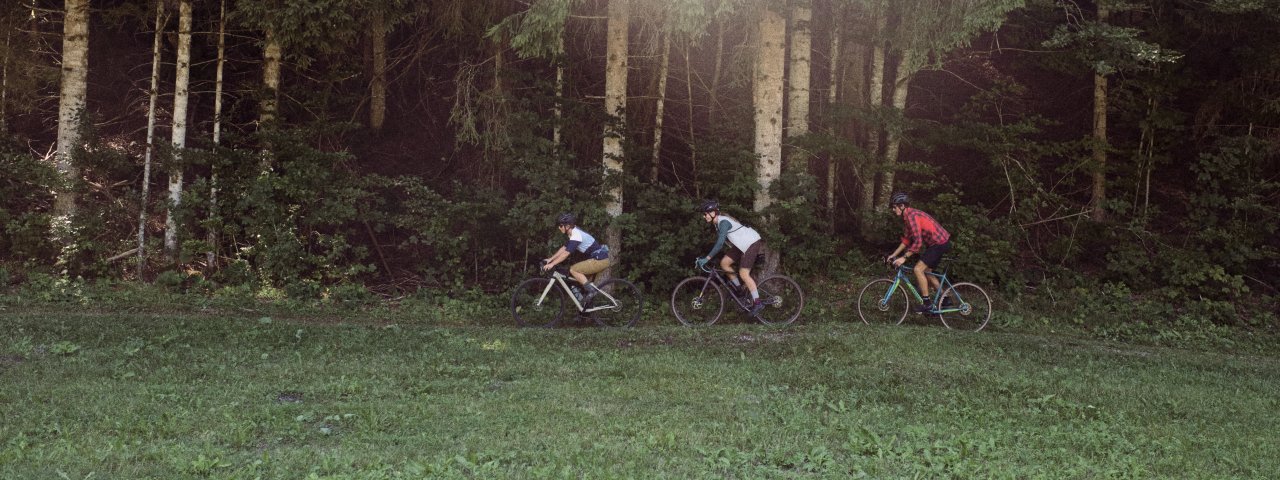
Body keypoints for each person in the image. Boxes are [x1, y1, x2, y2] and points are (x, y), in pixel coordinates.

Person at [695, 200, 767, 315]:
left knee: (744, 273)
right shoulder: (717, 223)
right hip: (741, 244)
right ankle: (739, 291)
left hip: (751, 243)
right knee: (724, 263)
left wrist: (707, 258)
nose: (704, 217)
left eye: (705, 214)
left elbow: (719, 244)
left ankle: (758, 303)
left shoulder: (723, 222)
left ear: (713, 212)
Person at [885, 192, 952, 314]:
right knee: (927, 272)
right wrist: (894, 255)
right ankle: (946, 299)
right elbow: (906, 240)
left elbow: (918, 242)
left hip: (939, 243)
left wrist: (904, 258)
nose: (893, 210)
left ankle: (927, 304)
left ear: (902, 206)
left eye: (894, 207)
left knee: (918, 269)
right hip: (938, 244)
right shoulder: (907, 218)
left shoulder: (912, 217)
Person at [542, 212, 610, 303]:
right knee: (579, 282)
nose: (559, 227)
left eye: (561, 225)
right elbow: (564, 248)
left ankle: (592, 292)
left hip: (599, 260)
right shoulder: (573, 233)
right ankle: (586, 310)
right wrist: (550, 259)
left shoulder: (576, 235)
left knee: (574, 270)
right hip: (597, 259)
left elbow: (566, 253)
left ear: (568, 226)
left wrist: (552, 264)